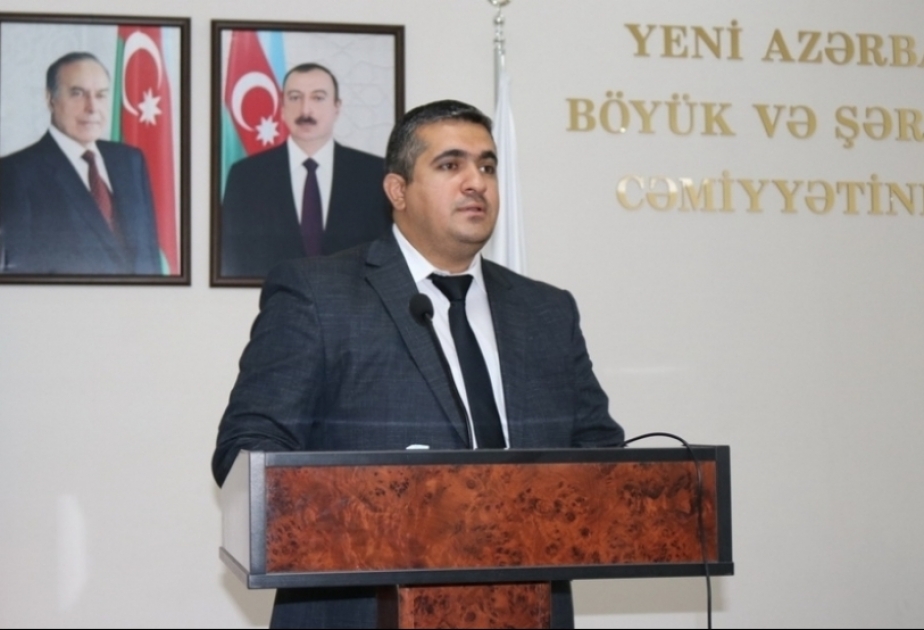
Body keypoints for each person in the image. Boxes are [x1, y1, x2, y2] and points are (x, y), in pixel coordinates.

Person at [211, 99, 625, 629]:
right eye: (451, 165)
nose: (476, 182)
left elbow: (601, 457)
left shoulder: (546, 311)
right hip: (361, 612)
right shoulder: (318, 294)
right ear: (398, 191)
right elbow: (248, 448)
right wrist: (383, 508)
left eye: (488, 166)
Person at [219, 62, 391, 279]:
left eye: (318, 98)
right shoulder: (246, 176)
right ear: (282, 107)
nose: (305, 110)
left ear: (337, 107)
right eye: (294, 97)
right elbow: (232, 255)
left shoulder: (374, 174)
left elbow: (386, 255)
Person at [0, 51, 161, 275]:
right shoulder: (15, 174)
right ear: (50, 99)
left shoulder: (131, 162)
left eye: (101, 95)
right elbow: (21, 276)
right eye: (77, 94)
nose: (92, 107)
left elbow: (150, 257)